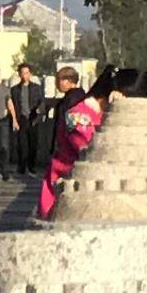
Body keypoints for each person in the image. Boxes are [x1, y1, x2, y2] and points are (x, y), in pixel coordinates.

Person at [32, 64, 99, 219]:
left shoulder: (71, 101)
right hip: (78, 150)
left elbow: (72, 129)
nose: (57, 84)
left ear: (68, 81)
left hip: (67, 152)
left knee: (51, 183)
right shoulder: (86, 99)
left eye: (59, 80)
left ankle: (47, 214)